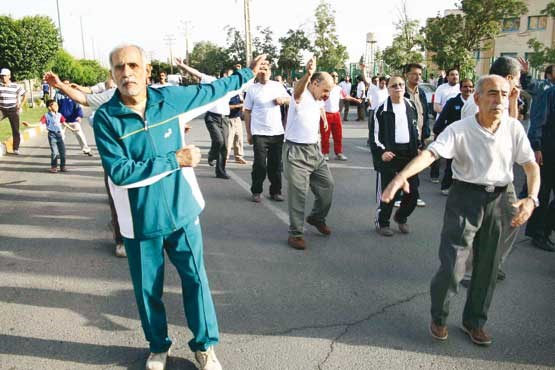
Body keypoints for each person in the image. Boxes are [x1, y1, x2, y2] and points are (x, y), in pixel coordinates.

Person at [93, 44, 265, 370]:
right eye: (119, 67)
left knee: (196, 281)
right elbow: (120, 171)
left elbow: (211, 89)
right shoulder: (106, 118)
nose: (126, 73)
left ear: (146, 70)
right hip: (139, 221)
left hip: (182, 211)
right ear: (112, 74)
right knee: (148, 291)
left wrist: (246, 73)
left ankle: (204, 346)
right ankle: (158, 347)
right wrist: (176, 159)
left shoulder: (169, 99)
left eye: (132, 65)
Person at [381, 75, 540, 346]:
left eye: (504, 93)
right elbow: (431, 154)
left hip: (500, 200)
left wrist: (532, 198)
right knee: (453, 265)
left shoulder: (513, 128)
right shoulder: (460, 129)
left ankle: (474, 322)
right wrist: (400, 177)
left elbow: (530, 165)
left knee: (488, 267)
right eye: (492, 93)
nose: (499, 99)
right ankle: (439, 317)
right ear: (477, 99)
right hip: (465, 197)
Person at [283, 57, 335, 250]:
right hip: (295, 152)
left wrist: (324, 121)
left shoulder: (317, 99)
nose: (327, 95)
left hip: (314, 150)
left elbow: (319, 108)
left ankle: (316, 217)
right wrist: (308, 74)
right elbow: (297, 91)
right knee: (299, 194)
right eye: (325, 90)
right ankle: (295, 234)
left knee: (327, 185)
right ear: (314, 83)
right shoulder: (301, 95)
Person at [370, 76, 420, 237]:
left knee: (412, 193)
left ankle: (401, 217)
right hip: (390, 155)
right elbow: (374, 136)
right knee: (388, 192)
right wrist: (382, 152)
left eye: (400, 85)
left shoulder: (410, 105)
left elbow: (415, 129)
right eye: (394, 86)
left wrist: (417, 146)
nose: (398, 88)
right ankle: (382, 222)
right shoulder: (381, 109)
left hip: (409, 154)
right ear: (388, 89)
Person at [175, 59, 233, 179]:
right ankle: (212, 155)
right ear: (222, 74)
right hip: (212, 117)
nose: (229, 77)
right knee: (218, 141)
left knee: (224, 146)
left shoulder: (232, 86)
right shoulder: (212, 81)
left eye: (232, 76)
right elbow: (196, 73)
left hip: (225, 119)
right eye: (228, 74)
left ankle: (220, 171)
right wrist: (183, 66)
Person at [244, 60, 290, 203]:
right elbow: (247, 112)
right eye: (261, 69)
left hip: (276, 132)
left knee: (275, 164)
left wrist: (283, 99)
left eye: (266, 69)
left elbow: (291, 100)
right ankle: (256, 191)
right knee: (259, 164)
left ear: (270, 72)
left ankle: (275, 191)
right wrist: (249, 133)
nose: (263, 71)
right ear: (257, 72)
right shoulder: (252, 89)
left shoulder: (277, 86)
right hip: (259, 132)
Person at [525, 81, 555, 251]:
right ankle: (539, 234)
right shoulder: (550, 94)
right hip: (548, 151)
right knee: (542, 193)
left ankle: (545, 227)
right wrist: (536, 146)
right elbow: (538, 120)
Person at [433, 79, 474, 195]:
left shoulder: (476, 103)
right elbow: (443, 117)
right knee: (451, 163)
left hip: (470, 138)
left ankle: (464, 188)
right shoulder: (452, 102)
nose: (468, 89)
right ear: (460, 89)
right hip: (455, 137)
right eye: (465, 87)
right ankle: (446, 186)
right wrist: (437, 131)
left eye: (470, 87)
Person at [320, 72, 361, 161]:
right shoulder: (324, 88)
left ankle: (338, 153)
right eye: (333, 76)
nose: (335, 77)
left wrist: (356, 100)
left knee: (338, 135)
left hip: (336, 114)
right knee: (325, 136)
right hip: (326, 114)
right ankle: (325, 153)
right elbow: (319, 101)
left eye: (336, 76)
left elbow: (346, 96)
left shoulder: (339, 88)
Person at [430, 68, 460, 182]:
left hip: (457, 124)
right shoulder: (441, 89)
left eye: (456, 74)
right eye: (452, 74)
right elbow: (436, 107)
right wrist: (449, 113)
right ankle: (434, 174)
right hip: (443, 123)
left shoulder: (460, 89)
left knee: (455, 151)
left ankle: (451, 177)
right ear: (447, 77)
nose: (455, 77)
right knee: (438, 148)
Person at [54, 80, 93, 156]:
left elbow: (78, 106)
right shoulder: (58, 95)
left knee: (80, 134)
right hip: (62, 120)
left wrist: (79, 116)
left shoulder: (73, 94)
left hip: (73, 119)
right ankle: (59, 152)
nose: (66, 86)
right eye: (64, 84)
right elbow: (55, 106)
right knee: (60, 136)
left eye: (68, 84)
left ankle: (86, 149)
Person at [39, 100, 74, 173]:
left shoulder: (59, 115)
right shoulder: (46, 116)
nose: (57, 107)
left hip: (59, 135)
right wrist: (29, 125)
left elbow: (64, 123)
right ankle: (54, 167)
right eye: (54, 105)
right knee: (54, 152)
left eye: (57, 105)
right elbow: (40, 124)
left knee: (63, 151)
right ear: (49, 107)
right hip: (52, 135)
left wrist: (72, 129)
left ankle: (63, 166)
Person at [0, 68, 25, 154]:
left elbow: (24, 94)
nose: (3, 77)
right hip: (2, 109)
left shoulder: (16, 86)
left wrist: (20, 105)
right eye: (2, 76)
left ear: (9, 76)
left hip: (13, 110)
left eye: (5, 76)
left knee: (15, 129)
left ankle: (16, 148)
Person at [227, 93, 247, 164]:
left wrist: (243, 105)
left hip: (237, 118)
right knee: (229, 139)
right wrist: (237, 106)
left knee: (239, 138)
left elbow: (243, 103)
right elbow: (225, 106)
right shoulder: (228, 94)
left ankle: (239, 156)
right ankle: (225, 157)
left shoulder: (239, 94)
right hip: (229, 118)